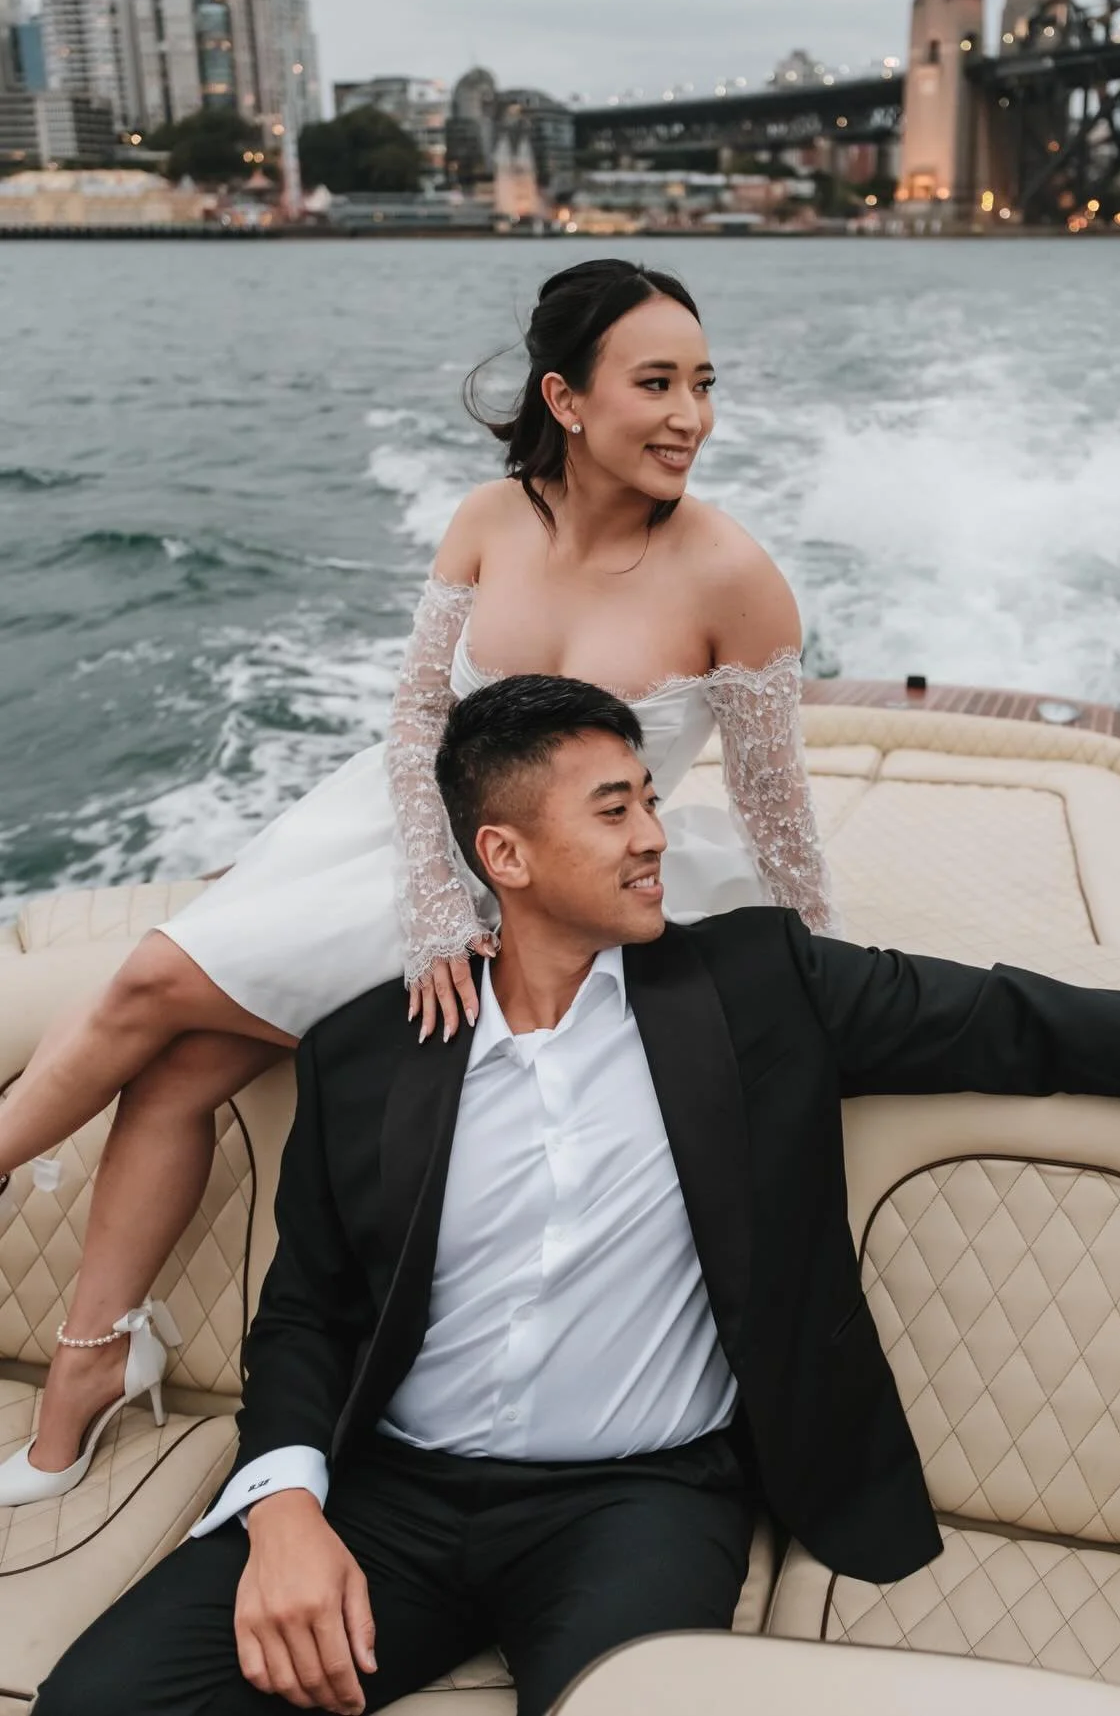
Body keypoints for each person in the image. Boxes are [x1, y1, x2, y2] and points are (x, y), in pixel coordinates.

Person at [32, 673, 1120, 1716]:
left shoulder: (760, 988)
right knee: (101, 1704)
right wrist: (284, 1510)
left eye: (652, 797)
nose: (655, 834)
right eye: (615, 809)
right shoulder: (368, 1051)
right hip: (393, 1494)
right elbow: (308, 1315)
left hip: (640, 1502)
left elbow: (1026, 1020)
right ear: (503, 858)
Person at [0, 259, 838, 1505]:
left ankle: (88, 1374)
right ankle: (90, 1367)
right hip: (406, 843)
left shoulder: (734, 577)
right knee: (167, 1041)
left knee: (154, 988)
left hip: (558, 881)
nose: (691, 416)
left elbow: (780, 821)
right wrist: (437, 903)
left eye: (704, 384)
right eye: (655, 383)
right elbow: (409, 728)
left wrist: (821, 977)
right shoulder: (489, 519)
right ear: (565, 396)